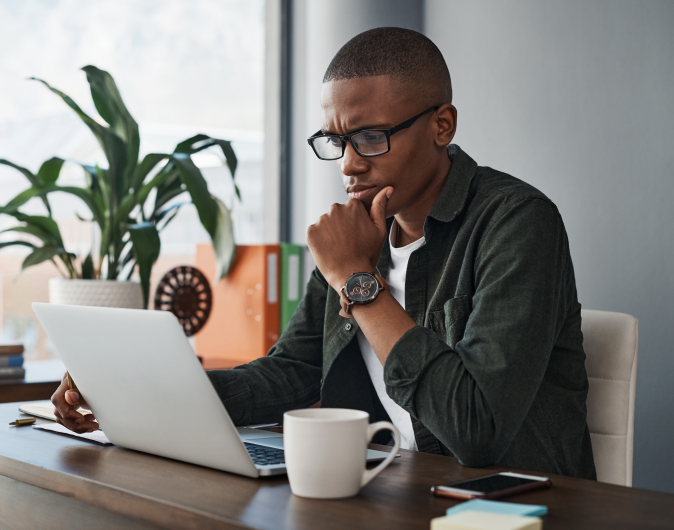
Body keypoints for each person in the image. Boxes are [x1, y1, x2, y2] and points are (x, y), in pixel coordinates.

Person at [52, 27, 596, 480]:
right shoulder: (358, 236)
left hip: (513, 507)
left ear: (441, 125)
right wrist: (135, 393)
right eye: (336, 140)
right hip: (394, 488)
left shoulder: (517, 222)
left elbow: (478, 431)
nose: (348, 165)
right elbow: (289, 373)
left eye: (371, 137)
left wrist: (358, 282)